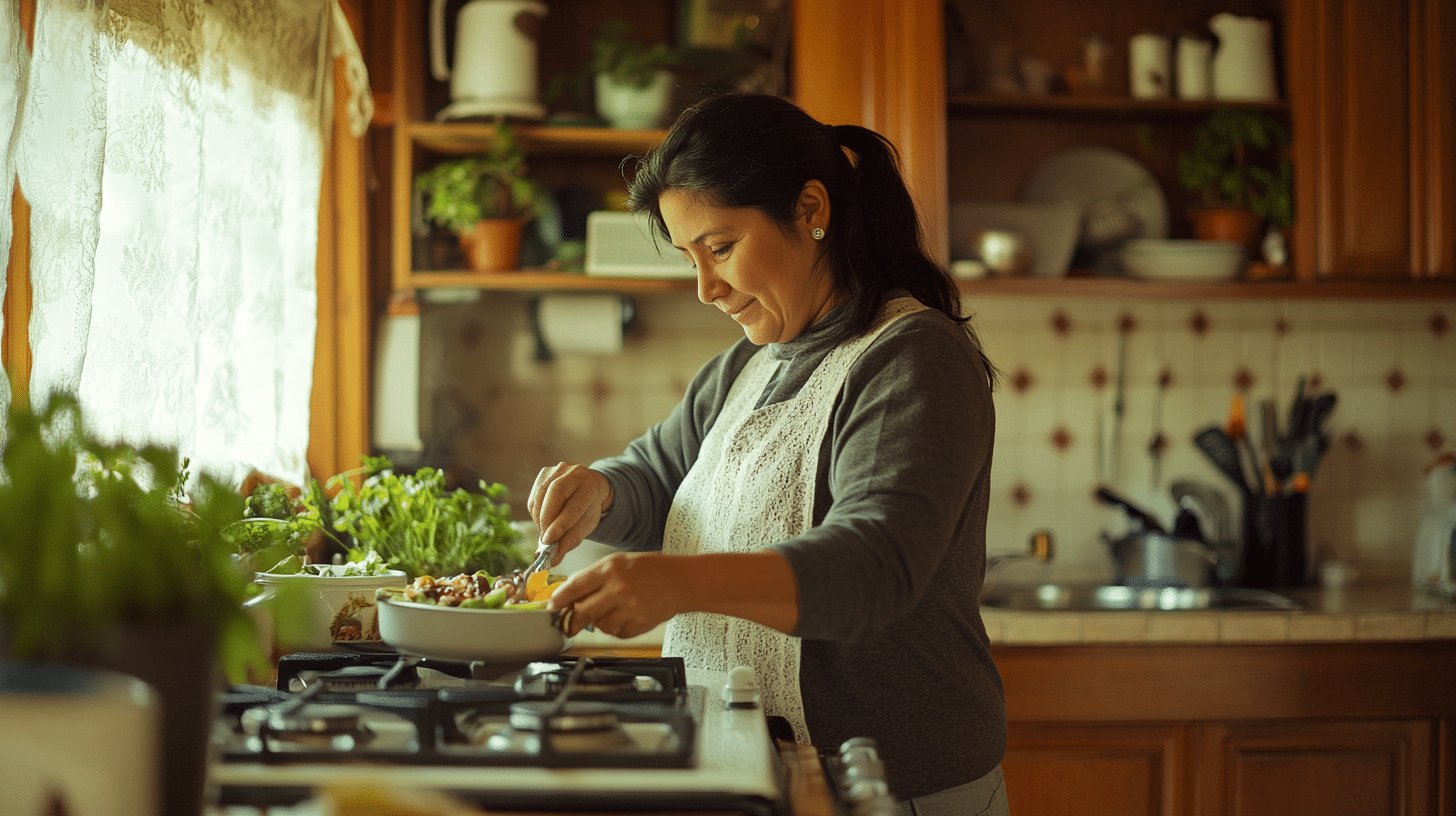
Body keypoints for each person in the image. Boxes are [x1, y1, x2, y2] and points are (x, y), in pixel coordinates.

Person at [527, 93, 1007, 815]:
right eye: (691, 258)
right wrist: (600, 491)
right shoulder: (745, 367)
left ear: (811, 209)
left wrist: (679, 584)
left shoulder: (913, 357)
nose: (705, 288)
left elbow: (877, 563)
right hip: (752, 773)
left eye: (720, 248)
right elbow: (658, 479)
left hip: (894, 787)